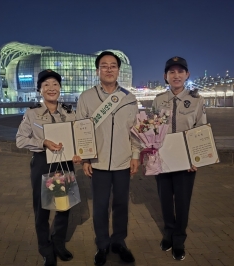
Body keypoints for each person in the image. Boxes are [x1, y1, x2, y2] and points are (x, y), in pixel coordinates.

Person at [75, 51, 140, 266]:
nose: (109, 69)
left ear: (118, 70)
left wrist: (136, 155)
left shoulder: (129, 98)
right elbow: (81, 130)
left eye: (113, 65)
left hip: (123, 161)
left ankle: (119, 242)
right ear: (98, 70)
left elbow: (136, 131)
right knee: (100, 206)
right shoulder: (86, 97)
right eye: (104, 66)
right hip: (98, 163)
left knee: (121, 204)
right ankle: (102, 244)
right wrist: (85, 159)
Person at [16, 69, 81, 266]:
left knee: (63, 207)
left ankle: (58, 243)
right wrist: (43, 142)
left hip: (63, 164)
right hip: (42, 164)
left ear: (60, 88)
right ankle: (45, 248)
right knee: (42, 209)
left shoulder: (70, 113)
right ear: (40, 90)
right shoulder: (32, 113)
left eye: (55, 84)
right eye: (46, 85)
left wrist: (79, 153)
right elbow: (20, 140)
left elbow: (78, 138)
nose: (51, 88)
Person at [152, 56, 207, 261]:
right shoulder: (158, 100)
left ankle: (179, 239)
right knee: (165, 199)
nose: (176, 75)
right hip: (163, 159)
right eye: (171, 72)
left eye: (180, 71)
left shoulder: (196, 100)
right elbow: (151, 129)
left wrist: (196, 159)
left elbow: (200, 129)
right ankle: (168, 233)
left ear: (187, 75)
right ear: (166, 76)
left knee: (182, 201)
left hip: (186, 161)